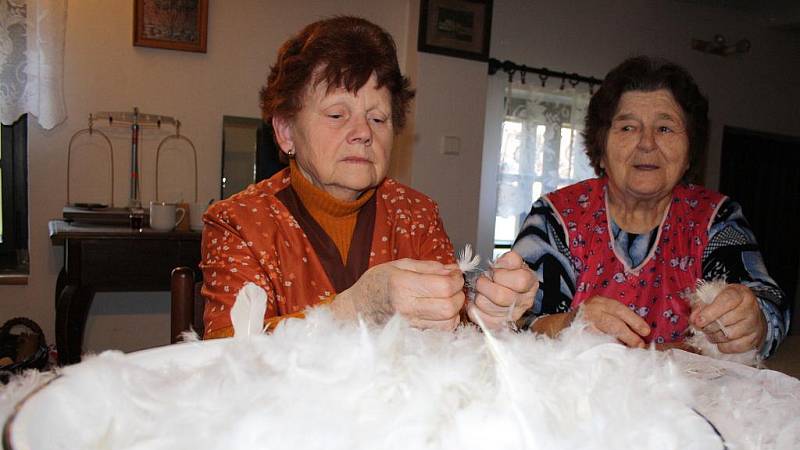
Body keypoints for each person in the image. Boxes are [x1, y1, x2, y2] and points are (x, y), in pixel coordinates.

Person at [201, 16, 536, 339]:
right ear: (286, 131)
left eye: (377, 118)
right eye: (336, 115)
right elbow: (228, 355)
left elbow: (452, 337)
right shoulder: (238, 222)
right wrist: (355, 309)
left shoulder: (416, 213)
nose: (362, 132)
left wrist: (489, 314)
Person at [512, 56, 789, 357]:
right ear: (601, 149)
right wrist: (570, 324)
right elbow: (513, 324)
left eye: (665, 129)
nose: (646, 143)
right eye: (628, 128)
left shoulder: (717, 218)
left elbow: (768, 303)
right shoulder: (555, 217)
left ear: (689, 154)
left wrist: (753, 321)